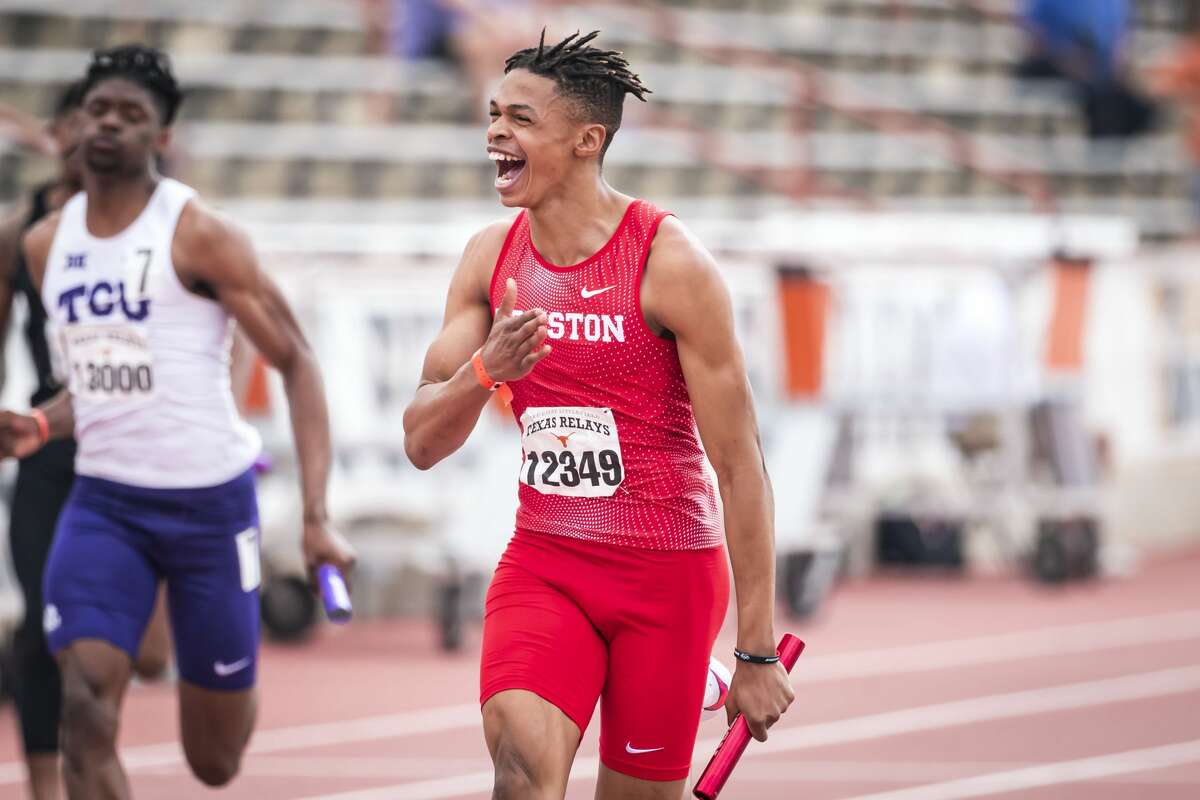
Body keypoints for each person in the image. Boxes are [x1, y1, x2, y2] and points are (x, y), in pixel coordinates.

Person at [403, 30, 794, 799]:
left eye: (519, 119)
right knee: (519, 772)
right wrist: (487, 371)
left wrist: (756, 651)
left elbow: (741, 465)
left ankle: (701, 674)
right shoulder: (491, 258)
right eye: (492, 115)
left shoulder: (669, 263)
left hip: (668, 576)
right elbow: (420, 439)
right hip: (546, 563)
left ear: (587, 140)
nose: (494, 135)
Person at [0, 44, 355, 797]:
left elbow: (296, 362)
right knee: (85, 708)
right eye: (99, 110)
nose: (110, 125)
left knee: (214, 761)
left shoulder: (198, 233)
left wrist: (318, 515)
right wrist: (46, 424)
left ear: (161, 139)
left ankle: (230, 665)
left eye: (132, 116)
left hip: (209, 507)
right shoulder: (44, 245)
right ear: (73, 126)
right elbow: (100, 379)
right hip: (102, 506)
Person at [0, 79, 170, 800]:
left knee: (143, 654)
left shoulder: (157, 219)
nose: (88, 134)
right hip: (50, 440)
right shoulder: (23, 229)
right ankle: (48, 784)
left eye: (107, 119)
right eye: (77, 119)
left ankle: (92, 762)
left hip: (137, 441)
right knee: (43, 625)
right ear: (57, 132)